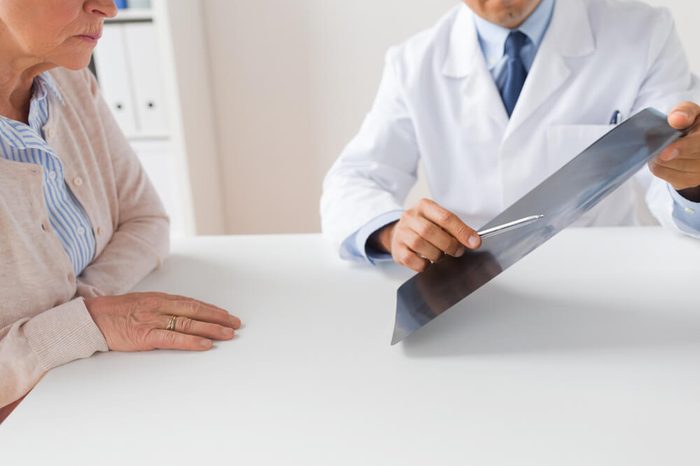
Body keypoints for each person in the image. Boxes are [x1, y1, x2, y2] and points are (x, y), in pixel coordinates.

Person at [321, 0, 700, 272]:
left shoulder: (645, 34)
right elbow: (353, 180)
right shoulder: (413, 62)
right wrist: (392, 231)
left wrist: (691, 183)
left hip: (606, 281)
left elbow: (669, 178)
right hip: (466, 293)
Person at [0, 0, 242, 420]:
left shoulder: (70, 84)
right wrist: (83, 324)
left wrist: (87, 315)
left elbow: (146, 221)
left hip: (92, 392)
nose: (108, 8)